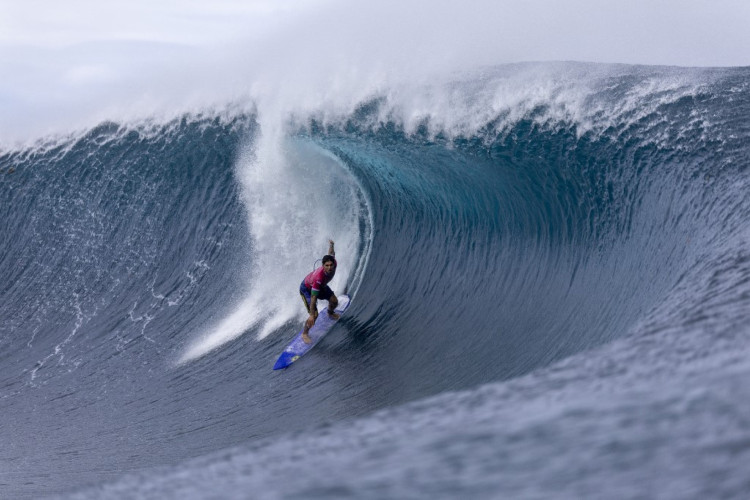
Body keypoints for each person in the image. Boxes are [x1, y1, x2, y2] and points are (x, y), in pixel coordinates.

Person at [299, 239, 340, 344]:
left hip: (321, 287)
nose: (330, 267)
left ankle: (330, 313)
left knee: (334, 302)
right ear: (323, 265)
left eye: (331, 265)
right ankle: (305, 333)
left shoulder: (333, 262)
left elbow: (331, 253)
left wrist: (332, 244)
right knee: (315, 315)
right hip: (307, 289)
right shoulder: (319, 278)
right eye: (327, 266)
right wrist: (312, 315)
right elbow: (313, 298)